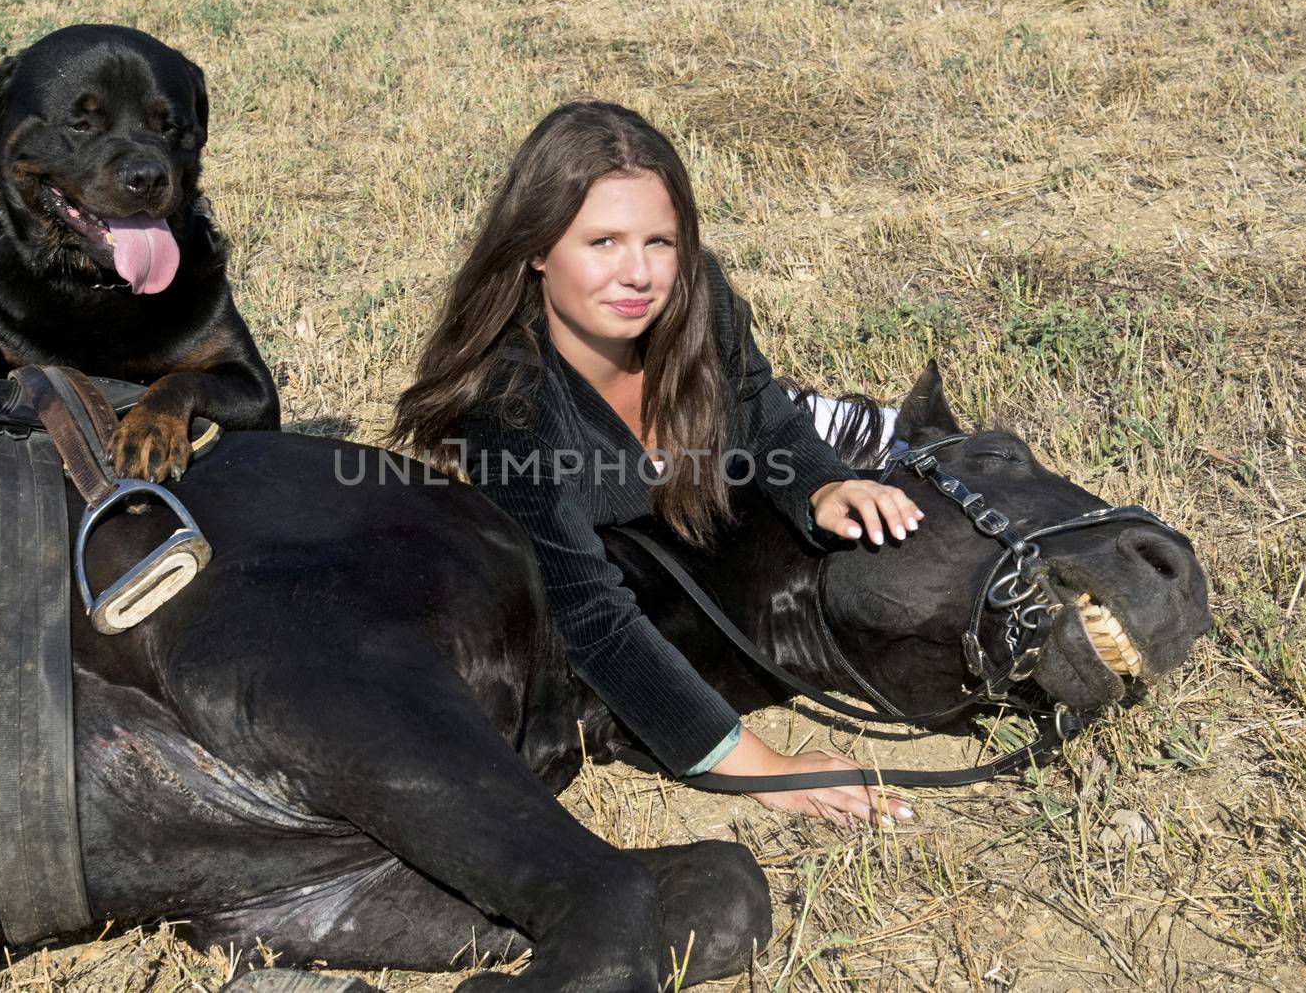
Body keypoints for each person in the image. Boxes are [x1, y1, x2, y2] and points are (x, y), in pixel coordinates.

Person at [390, 101, 923, 826]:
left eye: (659, 241)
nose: (637, 273)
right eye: (602, 241)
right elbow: (587, 614)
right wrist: (760, 767)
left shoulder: (700, 298)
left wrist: (822, 480)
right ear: (538, 248)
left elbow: (761, 409)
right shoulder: (509, 404)